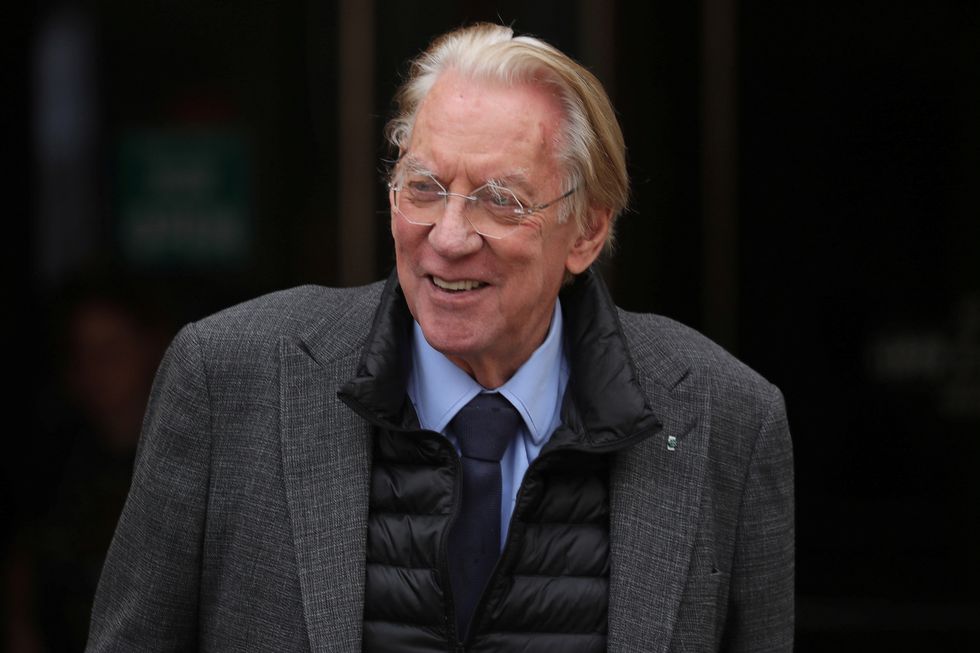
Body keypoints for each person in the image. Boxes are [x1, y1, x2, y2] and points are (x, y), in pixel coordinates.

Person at [87, 23, 794, 652]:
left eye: (499, 200)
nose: (449, 237)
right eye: (424, 187)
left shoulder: (726, 417)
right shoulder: (229, 377)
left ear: (587, 231)